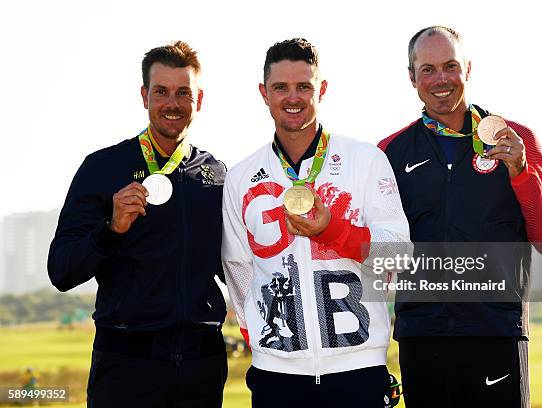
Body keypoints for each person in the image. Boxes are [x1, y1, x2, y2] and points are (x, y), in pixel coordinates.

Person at [378, 26, 542, 408]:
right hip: (422, 339)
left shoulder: (516, 140)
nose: (441, 79)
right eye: (428, 69)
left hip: (496, 335)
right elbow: (378, 258)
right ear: (411, 76)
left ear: (467, 68)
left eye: (450, 66)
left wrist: (521, 171)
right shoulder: (389, 153)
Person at [222, 38, 410, 408]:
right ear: (264, 93)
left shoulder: (365, 160)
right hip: (276, 374)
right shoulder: (241, 176)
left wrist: (332, 231)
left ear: (321, 89)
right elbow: (238, 269)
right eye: (281, 87)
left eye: (304, 86)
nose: (293, 98)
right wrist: (266, 344)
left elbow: (399, 257)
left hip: (359, 369)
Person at [48, 41, 227, 407]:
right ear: (144, 95)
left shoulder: (217, 174)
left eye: (183, 93)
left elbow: (235, 267)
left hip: (201, 367)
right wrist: (110, 229)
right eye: (161, 91)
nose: (172, 103)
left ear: (200, 99)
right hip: (127, 367)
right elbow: (61, 270)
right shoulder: (102, 168)